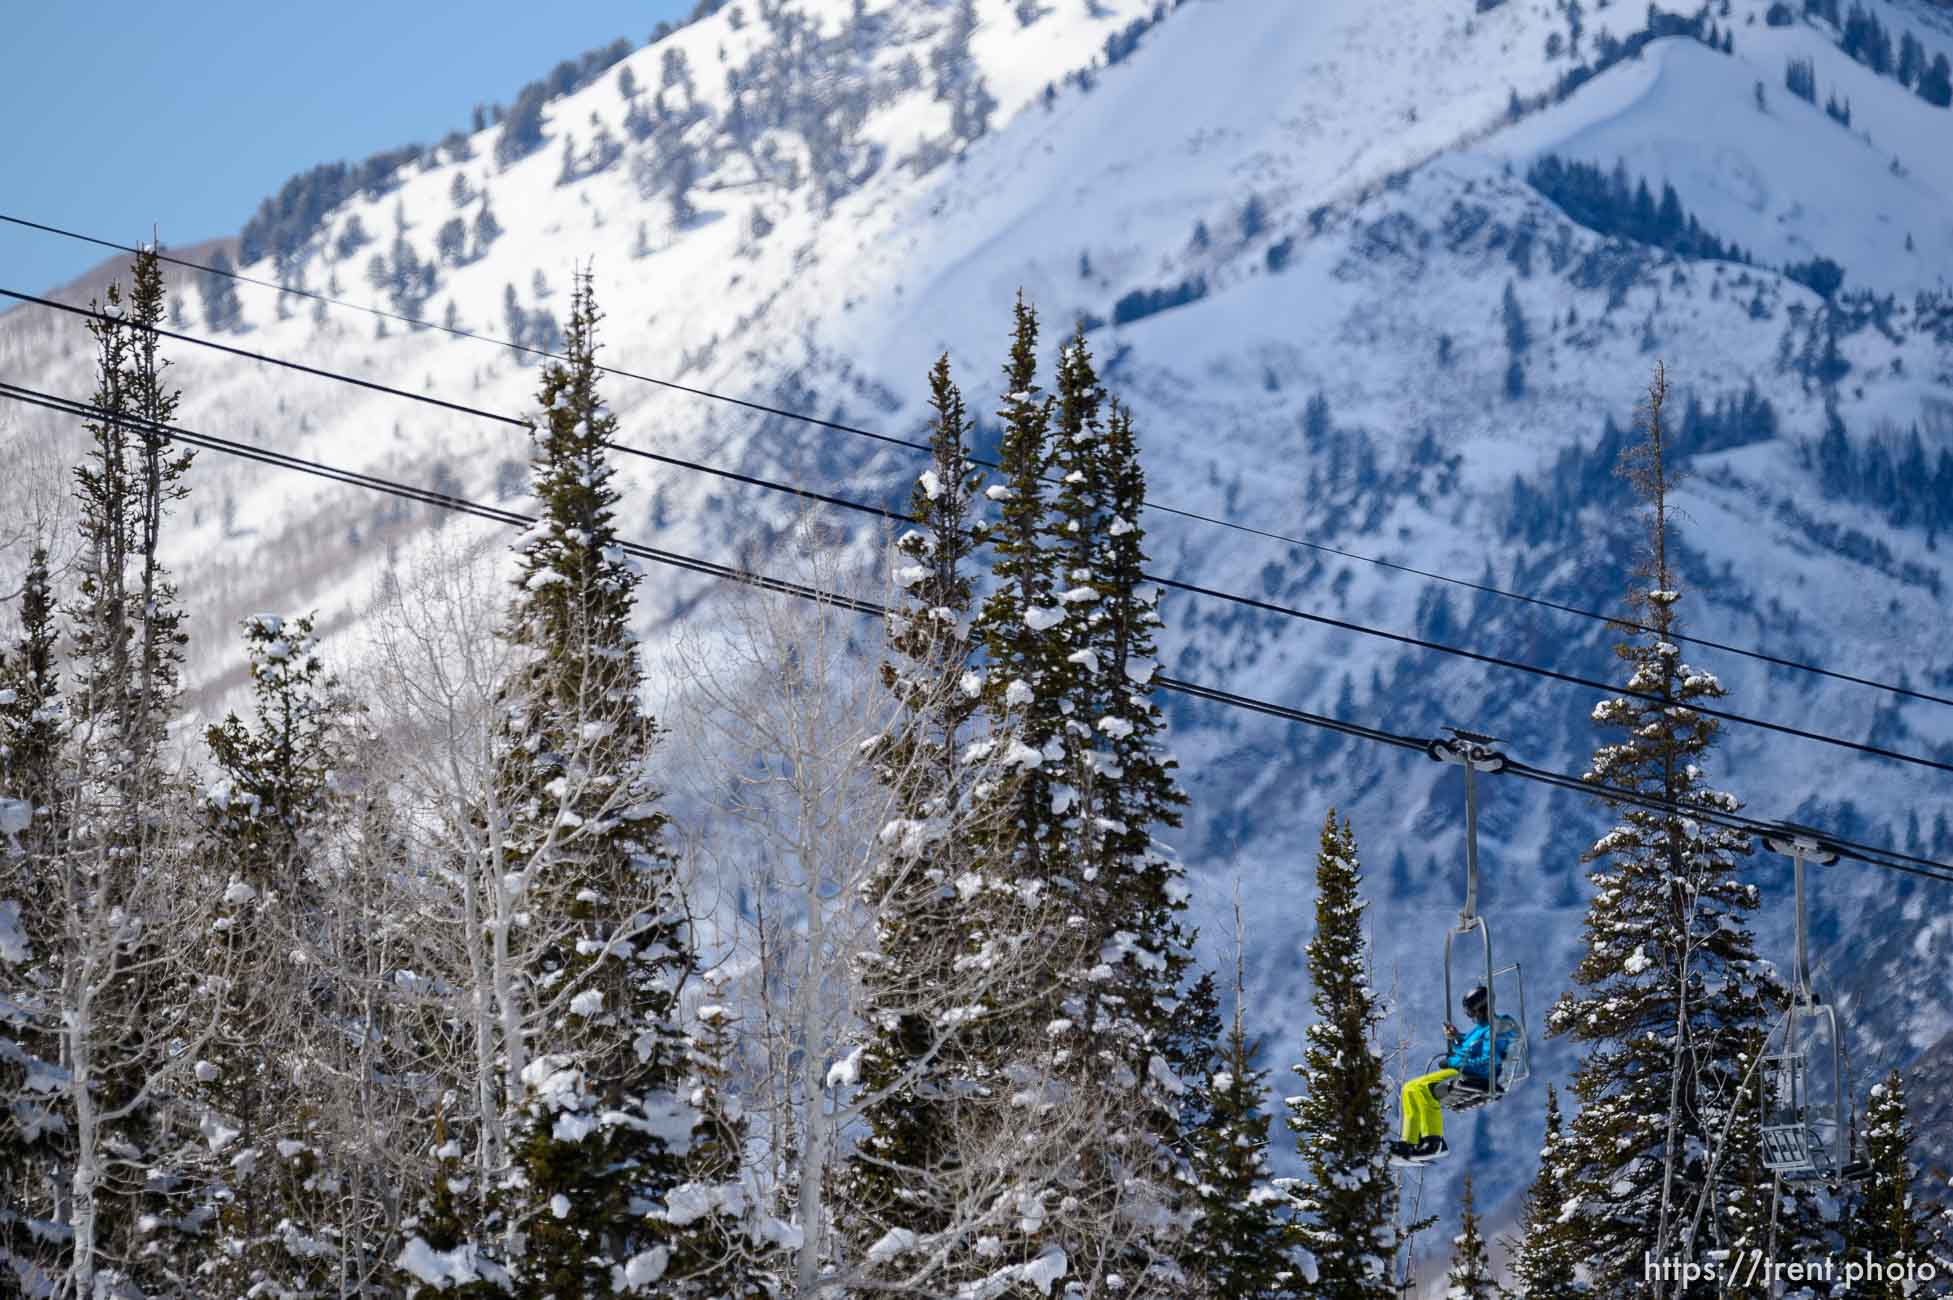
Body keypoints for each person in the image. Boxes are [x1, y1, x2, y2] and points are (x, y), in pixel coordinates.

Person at [1390, 985, 1500, 1165]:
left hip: (1475, 1073)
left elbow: (1485, 1058)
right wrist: (1456, 1038)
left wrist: (1453, 1061)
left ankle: (1434, 1142)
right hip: (1465, 1069)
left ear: (1480, 1007)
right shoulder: (1483, 1028)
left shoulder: (1494, 1028)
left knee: (1422, 1089)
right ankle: (1408, 1143)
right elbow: (1470, 1048)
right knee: (1409, 1089)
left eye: (1471, 1012)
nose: (1471, 1016)